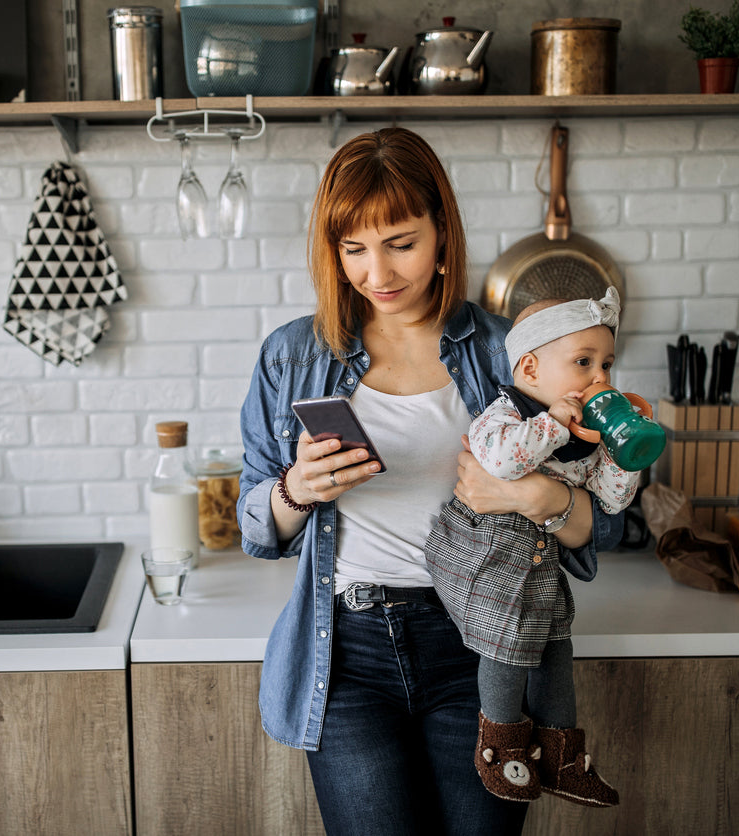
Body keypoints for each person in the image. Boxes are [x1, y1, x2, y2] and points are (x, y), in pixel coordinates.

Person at [236, 127, 624, 835]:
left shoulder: (512, 353)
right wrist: (298, 488)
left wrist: (539, 496)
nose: (374, 272)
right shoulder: (294, 355)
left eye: (400, 243)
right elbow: (256, 525)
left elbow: (603, 529)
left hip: (481, 648)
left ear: (442, 232)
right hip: (347, 652)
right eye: (353, 248)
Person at [424, 288, 635, 810]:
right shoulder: (504, 414)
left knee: (556, 650)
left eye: (607, 364)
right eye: (583, 362)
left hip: (540, 566)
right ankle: (499, 745)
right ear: (532, 369)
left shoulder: (588, 433)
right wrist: (553, 424)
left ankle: (562, 754)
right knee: (505, 644)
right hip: (487, 557)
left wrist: (625, 451)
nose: (600, 379)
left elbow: (609, 500)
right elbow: (500, 462)